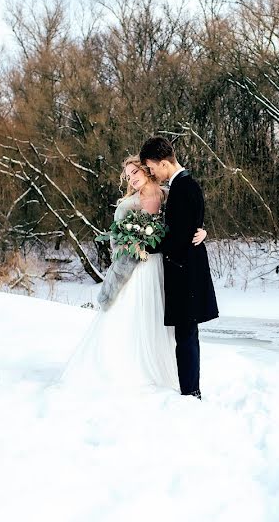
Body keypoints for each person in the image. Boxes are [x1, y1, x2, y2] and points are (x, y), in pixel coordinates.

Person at [60, 156, 207, 390]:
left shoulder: (169, 196)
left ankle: (166, 371)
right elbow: (116, 246)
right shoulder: (126, 206)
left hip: (165, 268)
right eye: (128, 176)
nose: (132, 178)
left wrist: (203, 231)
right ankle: (126, 369)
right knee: (131, 316)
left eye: (135, 172)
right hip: (137, 270)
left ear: (146, 170)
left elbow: (184, 222)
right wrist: (134, 245)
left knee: (161, 320)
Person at [141, 137, 219, 399]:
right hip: (186, 270)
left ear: (164, 163)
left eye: (152, 168)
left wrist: (146, 246)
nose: (152, 173)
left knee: (185, 336)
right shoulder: (184, 186)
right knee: (187, 334)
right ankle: (191, 389)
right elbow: (191, 227)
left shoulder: (184, 187)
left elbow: (180, 236)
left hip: (186, 273)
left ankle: (191, 392)